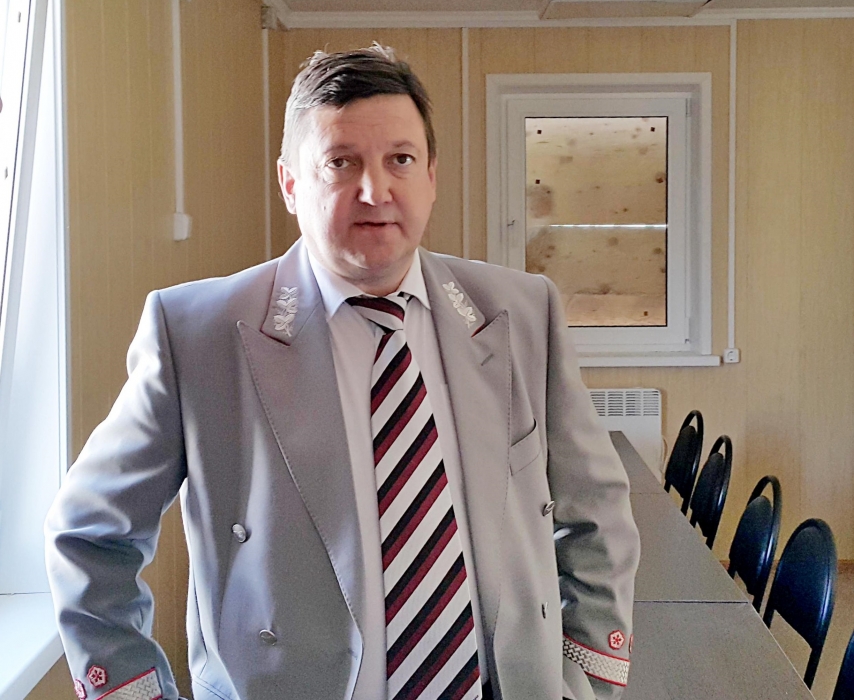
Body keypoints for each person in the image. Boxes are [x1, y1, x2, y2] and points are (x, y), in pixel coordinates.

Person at [45, 45, 639, 700]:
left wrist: (589, 682)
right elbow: (88, 534)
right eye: (340, 162)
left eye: (400, 160)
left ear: (431, 176)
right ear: (290, 184)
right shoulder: (197, 333)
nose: (375, 190)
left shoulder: (520, 312)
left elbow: (596, 512)